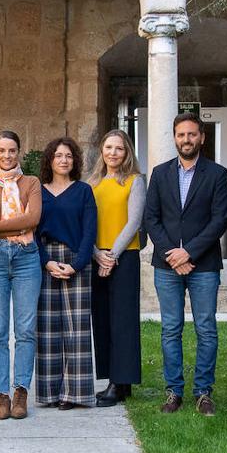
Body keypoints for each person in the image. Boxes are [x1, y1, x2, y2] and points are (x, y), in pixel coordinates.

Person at [143, 113, 227, 416]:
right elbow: (151, 218)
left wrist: (189, 253)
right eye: (181, 135)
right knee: (171, 329)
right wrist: (172, 253)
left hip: (204, 265)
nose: (186, 140)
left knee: (206, 328)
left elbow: (220, 219)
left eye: (192, 134)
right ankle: (173, 391)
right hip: (167, 265)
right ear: (174, 137)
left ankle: (204, 392)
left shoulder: (217, 174)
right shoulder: (159, 173)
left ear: (202, 138)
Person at [0, 130, 42, 420]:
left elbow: (33, 218)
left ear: (19, 152)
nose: (7, 155)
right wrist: (10, 228)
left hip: (27, 260)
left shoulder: (32, 182)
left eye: (12, 150)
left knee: (25, 330)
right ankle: (1, 394)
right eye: (2, 150)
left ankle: (20, 391)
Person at [35, 137, 98, 409]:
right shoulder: (38, 191)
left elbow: (89, 232)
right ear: (50, 160)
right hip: (46, 261)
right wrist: (46, 261)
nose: (63, 160)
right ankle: (49, 393)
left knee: (77, 330)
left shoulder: (83, 191)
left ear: (75, 161)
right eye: (58, 155)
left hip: (77, 262)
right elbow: (32, 232)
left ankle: (75, 393)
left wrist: (77, 264)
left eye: (69, 156)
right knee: (48, 330)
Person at [89, 129, 144, 407]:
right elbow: (85, 224)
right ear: (102, 151)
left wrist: (112, 255)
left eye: (119, 149)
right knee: (104, 320)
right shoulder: (92, 183)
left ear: (127, 153)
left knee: (123, 321)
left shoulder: (135, 181)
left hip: (124, 258)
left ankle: (120, 382)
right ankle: (114, 378)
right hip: (97, 259)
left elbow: (133, 222)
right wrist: (97, 254)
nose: (113, 153)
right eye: (108, 147)